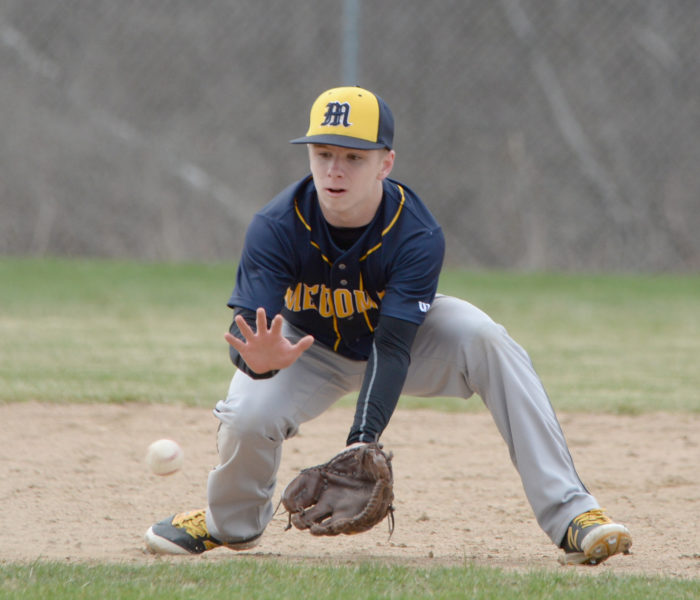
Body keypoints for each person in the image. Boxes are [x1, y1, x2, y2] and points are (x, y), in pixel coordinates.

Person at [144, 86, 632, 565]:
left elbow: (394, 344)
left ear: (385, 163)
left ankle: (573, 515)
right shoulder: (276, 224)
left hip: (404, 344)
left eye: (355, 157)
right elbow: (250, 325)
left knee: (488, 341)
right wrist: (256, 361)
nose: (335, 169)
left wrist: (363, 438)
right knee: (246, 414)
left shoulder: (416, 232)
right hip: (305, 347)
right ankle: (230, 524)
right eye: (324, 152)